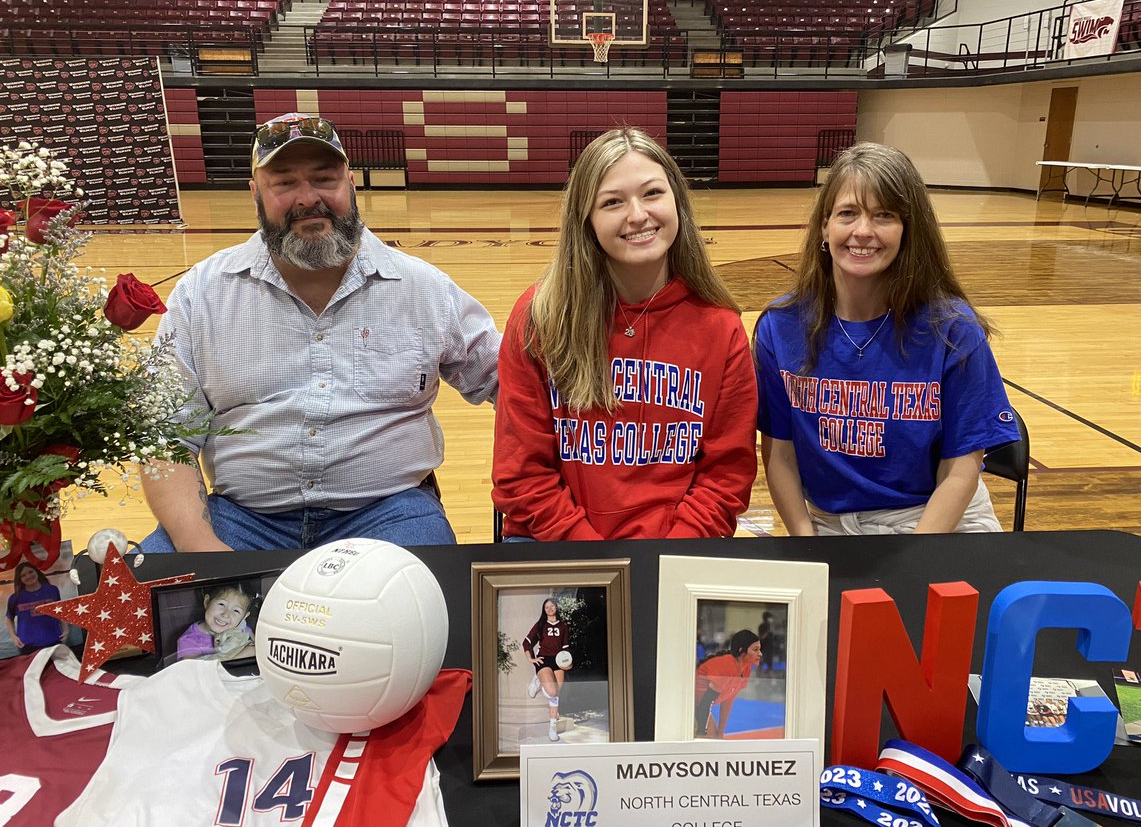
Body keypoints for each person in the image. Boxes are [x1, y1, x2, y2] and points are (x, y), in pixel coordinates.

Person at [139, 113, 501, 552]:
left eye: (324, 178)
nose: (308, 198)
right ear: (255, 193)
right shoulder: (202, 294)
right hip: (239, 519)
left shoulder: (424, 288)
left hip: (390, 512)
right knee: (160, 609)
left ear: (350, 183)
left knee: (432, 605)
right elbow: (165, 437)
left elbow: (514, 384)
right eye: (285, 182)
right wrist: (202, 548)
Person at [492, 127, 757, 541]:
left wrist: (661, 564)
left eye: (652, 193)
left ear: (677, 202)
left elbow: (725, 477)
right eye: (612, 202)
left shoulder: (720, 327)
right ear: (587, 220)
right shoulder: (539, 317)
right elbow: (521, 476)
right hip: (556, 542)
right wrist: (600, 567)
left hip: (673, 550)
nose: (637, 215)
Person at [755, 142, 1020, 536]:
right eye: (847, 213)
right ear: (825, 226)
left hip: (938, 518)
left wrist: (914, 562)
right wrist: (804, 542)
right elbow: (780, 456)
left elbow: (961, 469)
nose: (863, 231)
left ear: (908, 230)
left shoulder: (953, 330)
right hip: (829, 524)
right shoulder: (780, 327)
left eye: (884, 215)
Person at [694, 629, 762, 738]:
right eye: (755, 650)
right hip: (691, 703)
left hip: (700, 704)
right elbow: (706, 703)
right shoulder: (726, 666)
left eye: (760, 649)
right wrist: (702, 732)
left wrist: (721, 731)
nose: (760, 654)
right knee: (710, 738)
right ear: (741, 650)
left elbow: (728, 700)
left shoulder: (746, 669)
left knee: (715, 737)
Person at [523, 598, 572, 742]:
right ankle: (538, 679)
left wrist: (568, 663)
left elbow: (565, 648)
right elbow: (527, 642)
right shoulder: (540, 625)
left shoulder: (563, 626)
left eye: (552, 606)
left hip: (558, 661)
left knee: (556, 694)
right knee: (552, 691)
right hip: (543, 659)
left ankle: (552, 728)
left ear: (556, 608)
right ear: (544, 610)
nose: (550, 609)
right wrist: (531, 659)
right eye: (546, 607)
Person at [175, 585, 254, 661]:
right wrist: (244, 654)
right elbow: (194, 670)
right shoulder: (189, 641)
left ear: (244, 617)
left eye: (236, 610)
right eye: (221, 604)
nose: (226, 615)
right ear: (207, 602)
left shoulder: (244, 630)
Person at [5, 562, 67, 654]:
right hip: (27, 646)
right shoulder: (15, 598)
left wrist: (66, 629)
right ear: (20, 579)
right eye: (23, 575)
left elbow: (60, 611)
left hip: (54, 641)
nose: (28, 576)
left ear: (37, 572)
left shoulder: (52, 590)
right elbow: (9, 618)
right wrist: (14, 637)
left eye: (30, 572)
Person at [756, 610, 777, 676]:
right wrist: (768, 632)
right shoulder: (763, 626)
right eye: (770, 617)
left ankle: (769, 676)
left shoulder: (770, 626)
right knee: (761, 663)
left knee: (769, 663)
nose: (771, 619)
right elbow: (762, 637)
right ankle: (759, 676)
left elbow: (774, 638)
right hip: (763, 647)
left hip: (769, 647)